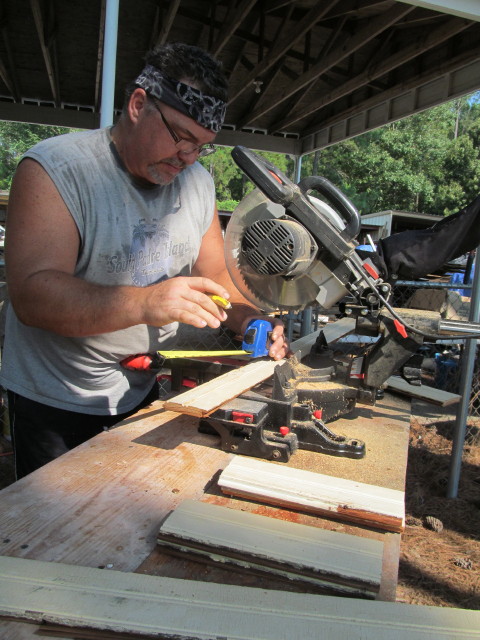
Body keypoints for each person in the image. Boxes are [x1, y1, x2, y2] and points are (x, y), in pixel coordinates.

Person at [0, 42, 289, 479]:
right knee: (51, 538)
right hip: (56, 399)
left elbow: (213, 276)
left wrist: (250, 320)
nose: (188, 158)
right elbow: (33, 297)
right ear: (139, 104)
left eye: (202, 147)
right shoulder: (56, 169)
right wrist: (145, 302)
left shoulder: (196, 183)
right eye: (181, 138)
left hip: (140, 391)